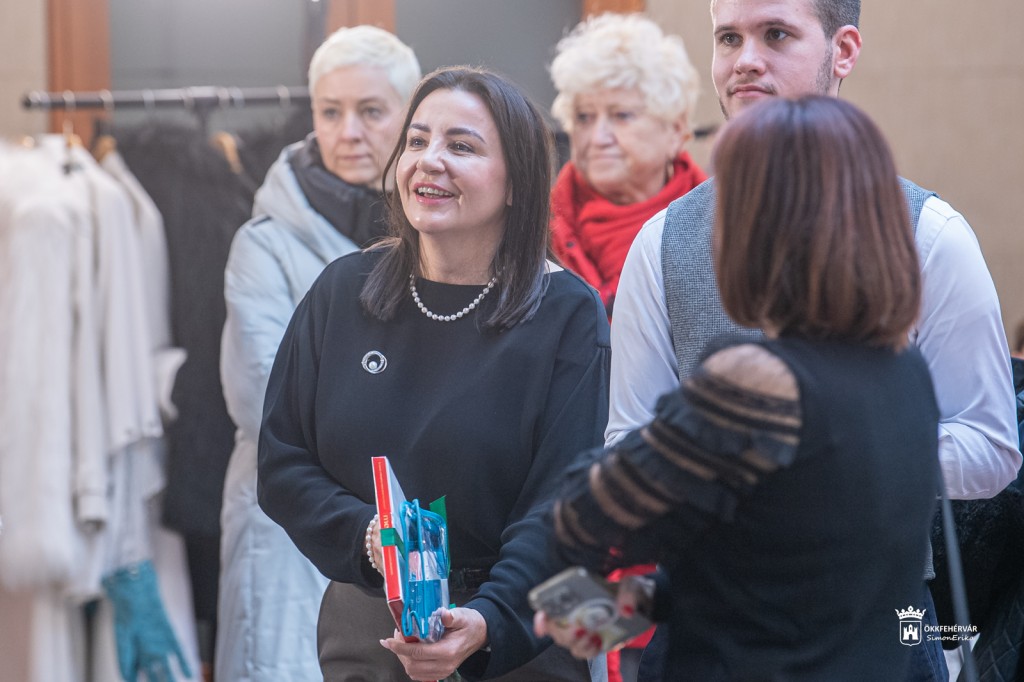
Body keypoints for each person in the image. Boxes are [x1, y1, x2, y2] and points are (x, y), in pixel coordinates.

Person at [607, 1, 1020, 679]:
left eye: (775, 35)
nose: (745, 60)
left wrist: (836, 454)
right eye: (728, 38)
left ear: (844, 50)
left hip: (877, 623)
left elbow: (992, 447)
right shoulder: (663, 241)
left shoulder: (932, 235)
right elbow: (626, 446)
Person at [537, 94, 943, 680]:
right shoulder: (906, 375)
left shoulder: (757, 383)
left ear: (757, 226)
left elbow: (584, 515)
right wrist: (614, 609)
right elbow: (775, 579)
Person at [257, 66, 611, 682]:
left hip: (518, 630)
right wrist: (370, 538)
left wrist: (489, 620)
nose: (429, 161)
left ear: (516, 183)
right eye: (417, 141)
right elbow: (282, 462)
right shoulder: (342, 290)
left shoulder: (567, 313)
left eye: (462, 146)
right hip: (370, 624)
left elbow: (562, 507)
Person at [217, 25, 421, 682]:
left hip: (411, 531)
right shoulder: (264, 243)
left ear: (410, 115)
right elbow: (268, 401)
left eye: (371, 111)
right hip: (291, 524)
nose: (348, 132)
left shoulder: (443, 231)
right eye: (330, 112)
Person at [548, 13, 705, 317]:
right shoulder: (535, 230)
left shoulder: (720, 227)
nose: (597, 138)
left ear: (675, 130)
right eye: (584, 117)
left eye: (621, 115)